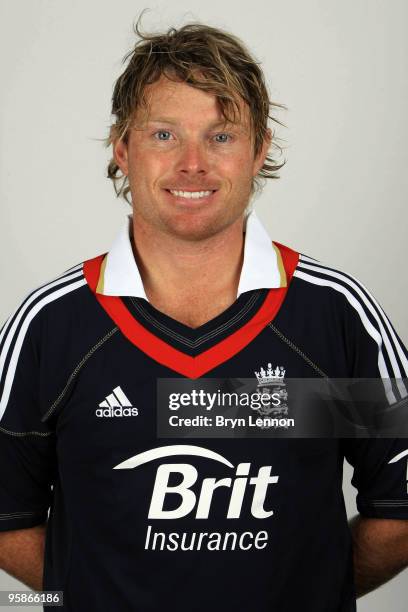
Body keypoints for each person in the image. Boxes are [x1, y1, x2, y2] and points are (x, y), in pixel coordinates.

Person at [0, 18, 407, 612]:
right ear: (122, 148)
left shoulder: (334, 313)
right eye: (164, 135)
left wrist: (308, 591)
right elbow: (8, 517)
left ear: (259, 149)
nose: (192, 163)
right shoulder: (52, 324)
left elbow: (400, 505)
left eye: (221, 137)